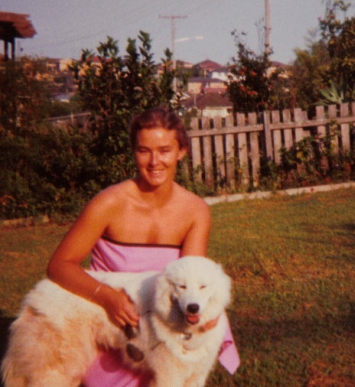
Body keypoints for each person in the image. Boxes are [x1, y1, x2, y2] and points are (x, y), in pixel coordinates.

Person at [47, 107, 239, 387]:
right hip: (111, 328)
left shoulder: (195, 210)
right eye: (144, 151)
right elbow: (59, 265)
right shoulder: (108, 203)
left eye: (164, 150)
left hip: (164, 328)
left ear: (181, 151)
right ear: (133, 152)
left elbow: (191, 279)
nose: (154, 161)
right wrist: (107, 297)